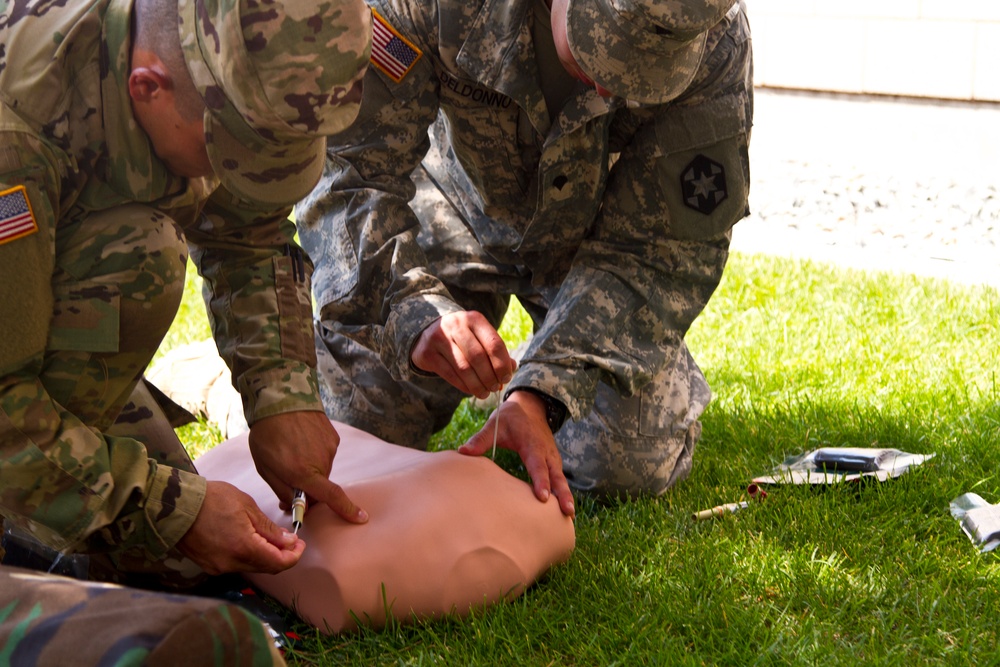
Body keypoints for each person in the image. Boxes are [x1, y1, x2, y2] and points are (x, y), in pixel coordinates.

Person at [296, 0, 753, 518]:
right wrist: (410, 309)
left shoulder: (716, 39)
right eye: (597, 53)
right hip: (447, 217)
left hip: (589, 254)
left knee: (625, 463)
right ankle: (219, 381)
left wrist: (544, 392)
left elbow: (661, 250)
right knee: (351, 430)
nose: (610, 89)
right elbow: (350, 175)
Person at [1, 0, 370, 624]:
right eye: (226, 153)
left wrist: (282, 396)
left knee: (184, 562)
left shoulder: (215, 64)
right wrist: (174, 508)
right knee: (143, 255)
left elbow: (247, 230)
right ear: (148, 87)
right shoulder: (15, 138)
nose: (234, 174)